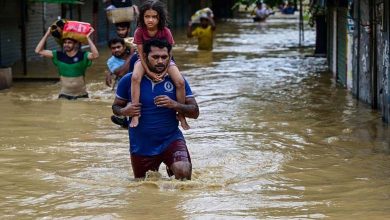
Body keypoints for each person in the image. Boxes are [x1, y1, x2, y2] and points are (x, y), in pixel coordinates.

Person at [111, 39, 199, 179]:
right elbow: (115, 107)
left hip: (171, 139)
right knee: (144, 186)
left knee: (183, 172)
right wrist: (124, 111)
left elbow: (195, 112)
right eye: (155, 57)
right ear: (145, 57)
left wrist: (175, 104)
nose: (160, 61)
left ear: (169, 58)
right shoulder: (129, 80)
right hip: (141, 145)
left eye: (164, 57)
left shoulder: (177, 81)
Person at [131, 0, 189, 130]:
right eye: (147, 16)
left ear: (159, 18)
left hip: (165, 60)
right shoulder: (139, 31)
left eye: (154, 17)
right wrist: (150, 72)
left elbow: (170, 54)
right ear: (142, 17)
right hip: (144, 60)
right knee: (135, 77)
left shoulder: (165, 31)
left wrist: (163, 72)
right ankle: (135, 114)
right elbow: (140, 54)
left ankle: (181, 114)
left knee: (180, 82)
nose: (150, 20)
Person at [35, 26, 99, 100]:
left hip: (81, 95)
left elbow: (96, 55)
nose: (66, 45)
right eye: (65, 42)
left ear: (75, 44)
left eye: (69, 43)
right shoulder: (58, 55)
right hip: (64, 95)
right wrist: (47, 33)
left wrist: (87, 38)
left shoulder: (83, 55)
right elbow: (38, 50)